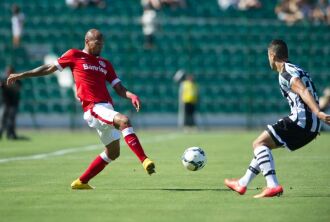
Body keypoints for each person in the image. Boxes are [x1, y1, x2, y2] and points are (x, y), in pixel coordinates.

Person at [7, 29, 156, 189]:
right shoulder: (74, 55)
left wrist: (131, 95)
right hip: (94, 107)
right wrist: (23, 74)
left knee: (113, 152)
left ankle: (81, 182)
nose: (100, 47)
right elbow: (49, 68)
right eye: (97, 43)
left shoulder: (105, 64)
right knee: (124, 121)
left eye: (102, 44)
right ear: (87, 41)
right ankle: (144, 159)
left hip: (106, 108)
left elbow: (118, 88)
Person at [224, 39, 330, 198]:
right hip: (309, 124)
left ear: (272, 55)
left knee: (258, 144)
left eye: (268, 56)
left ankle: (272, 185)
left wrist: (318, 113)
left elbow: (303, 91)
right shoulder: (297, 68)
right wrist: (313, 124)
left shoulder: (286, 72)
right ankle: (243, 183)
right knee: (263, 147)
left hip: (302, 120)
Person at [0, 65, 22, 140]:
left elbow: (17, 88)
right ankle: (1, 133)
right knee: (2, 119)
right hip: (5, 102)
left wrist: (7, 86)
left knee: (11, 119)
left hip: (13, 103)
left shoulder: (17, 80)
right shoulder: (3, 80)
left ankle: (10, 134)